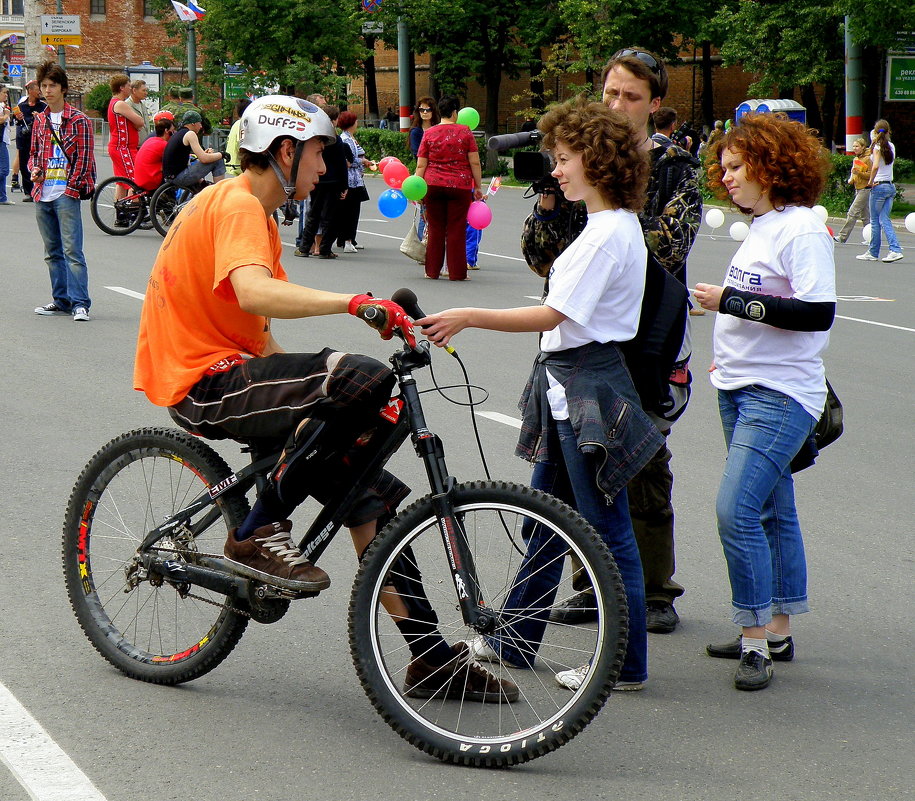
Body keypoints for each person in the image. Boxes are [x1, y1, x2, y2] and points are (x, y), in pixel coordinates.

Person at [133, 94, 517, 704]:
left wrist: (307, 390)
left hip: (236, 370)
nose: (324, 169)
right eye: (318, 155)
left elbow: (257, 330)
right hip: (200, 379)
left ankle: (431, 658)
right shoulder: (236, 201)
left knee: (365, 491)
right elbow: (254, 293)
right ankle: (255, 532)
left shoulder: (255, 214)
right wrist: (351, 305)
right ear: (285, 152)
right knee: (357, 376)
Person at [417, 96, 663, 691]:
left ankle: (625, 663)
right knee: (546, 521)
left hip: (585, 386)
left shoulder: (606, 234)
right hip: (573, 385)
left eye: (565, 157)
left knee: (603, 532)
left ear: (597, 161)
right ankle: (516, 639)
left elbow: (553, 314)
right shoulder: (607, 226)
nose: (556, 168)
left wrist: (468, 314)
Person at [531, 48, 702, 634]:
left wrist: (609, 189)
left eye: (630, 97)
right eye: (609, 94)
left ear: (655, 104)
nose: (617, 105)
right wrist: (554, 197)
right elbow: (539, 255)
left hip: (646, 332)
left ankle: (651, 593)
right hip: (583, 333)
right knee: (564, 483)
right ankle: (586, 591)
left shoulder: (673, 166)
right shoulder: (576, 169)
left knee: (642, 464)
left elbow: (670, 248)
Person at [695, 112, 836, 691]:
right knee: (775, 509)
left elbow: (816, 313)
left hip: (780, 396)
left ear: (770, 165)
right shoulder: (764, 226)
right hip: (740, 386)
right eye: (723, 168)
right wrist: (728, 351)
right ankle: (777, 628)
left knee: (736, 509)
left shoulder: (801, 229)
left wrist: (731, 303)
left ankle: (755, 640)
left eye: (735, 167)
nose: (725, 178)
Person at [29, 62, 96, 322]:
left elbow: (85, 159)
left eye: (52, 86)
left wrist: (71, 188)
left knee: (73, 252)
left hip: (65, 193)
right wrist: (35, 169)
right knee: (52, 252)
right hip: (41, 193)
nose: (47, 90)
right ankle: (61, 300)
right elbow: (34, 153)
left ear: (63, 88)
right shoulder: (41, 120)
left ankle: (80, 303)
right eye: (43, 86)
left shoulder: (79, 120)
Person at [415, 95, 484, 281]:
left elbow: (421, 165)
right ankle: (457, 273)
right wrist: (477, 186)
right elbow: (475, 162)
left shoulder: (429, 133)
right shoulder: (465, 132)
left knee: (435, 227)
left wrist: (417, 187)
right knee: (456, 228)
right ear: (455, 112)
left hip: (433, 185)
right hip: (459, 186)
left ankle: (432, 271)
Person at [296, 103, 347, 259]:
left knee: (313, 214)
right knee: (330, 217)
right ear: (335, 120)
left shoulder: (315, 138)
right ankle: (325, 250)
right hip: (333, 182)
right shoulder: (337, 141)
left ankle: (304, 247)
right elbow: (341, 164)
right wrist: (344, 185)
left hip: (317, 180)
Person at [857, 119, 902, 263]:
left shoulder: (877, 147)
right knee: (884, 219)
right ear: (889, 132)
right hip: (890, 185)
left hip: (879, 186)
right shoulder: (891, 146)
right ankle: (894, 249)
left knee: (875, 221)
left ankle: (873, 252)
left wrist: (870, 181)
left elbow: (875, 166)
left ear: (876, 133)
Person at [335, 110, 372, 253]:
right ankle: (347, 240)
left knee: (349, 211)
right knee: (350, 212)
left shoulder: (349, 138)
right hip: (351, 180)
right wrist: (364, 161)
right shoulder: (346, 140)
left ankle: (347, 239)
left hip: (355, 179)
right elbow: (348, 161)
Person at [161, 109, 227, 189]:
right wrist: (222, 154)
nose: (201, 126)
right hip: (179, 177)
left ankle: (202, 186)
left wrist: (204, 153)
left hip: (169, 177)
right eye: (199, 123)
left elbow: (194, 156)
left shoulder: (179, 133)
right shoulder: (190, 134)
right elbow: (204, 159)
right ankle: (219, 192)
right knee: (218, 159)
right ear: (193, 123)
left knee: (211, 158)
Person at [106, 74, 144, 197]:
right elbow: (140, 121)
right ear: (122, 88)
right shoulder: (120, 104)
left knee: (121, 182)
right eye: (128, 85)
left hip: (120, 147)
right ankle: (133, 210)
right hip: (123, 147)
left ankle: (121, 211)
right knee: (135, 180)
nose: (130, 88)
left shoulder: (114, 103)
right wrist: (136, 125)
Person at [408, 96, 440, 242]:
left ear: (433, 111)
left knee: (437, 212)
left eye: (428, 109)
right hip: (424, 175)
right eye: (422, 109)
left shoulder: (440, 128)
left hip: (440, 174)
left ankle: (433, 245)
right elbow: (418, 156)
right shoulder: (416, 132)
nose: (425, 112)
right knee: (425, 213)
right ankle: (423, 246)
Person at [14, 79, 48, 201]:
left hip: (38, 140)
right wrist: (17, 117)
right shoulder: (21, 106)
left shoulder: (43, 106)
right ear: (30, 91)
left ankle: (41, 188)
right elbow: (17, 122)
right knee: (24, 166)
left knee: (40, 164)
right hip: (23, 139)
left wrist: (39, 118)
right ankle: (29, 192)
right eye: (38, 89)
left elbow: (47, 121)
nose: (40, 92)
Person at [833, 137, 871, 244]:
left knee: (852, 212)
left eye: (857, 146)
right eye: (854, 146)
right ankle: (871, 237)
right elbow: (854, 173)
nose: (855, 148)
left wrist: (859, 174)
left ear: (863, 147)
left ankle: (842, 236)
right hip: (858, 188)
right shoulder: (856, 159)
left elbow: (870, 174)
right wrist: (852, 179)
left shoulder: (868, 159)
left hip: (865, 189)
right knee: (865, 216)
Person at [133, 111, 175, 192]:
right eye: (172, 131)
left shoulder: (151, 139)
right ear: (166, 131)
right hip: (150, 180)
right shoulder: (163, 144)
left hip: (139, 178)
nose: (173, 133)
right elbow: (173, 160)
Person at [224, 97, 251, 177]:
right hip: (237, 169)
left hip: (229, 167)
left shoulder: (236, 124)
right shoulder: (243, 124)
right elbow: (243, 146)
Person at [0, 87, 13, 205]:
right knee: (4, 169)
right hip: (0, 141)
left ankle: (2, 197)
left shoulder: (2, 106)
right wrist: (6, 116)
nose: (6, 95)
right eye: (4, 92)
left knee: (2, 169)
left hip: (3, 140)